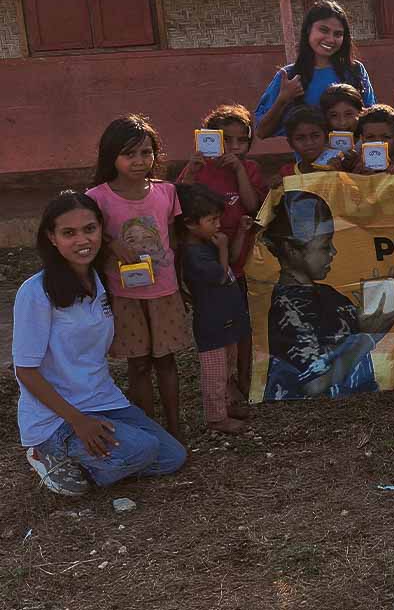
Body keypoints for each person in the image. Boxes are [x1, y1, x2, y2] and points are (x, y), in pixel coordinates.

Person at [14, 191, 187, 496]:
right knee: (142, 448)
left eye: (90, 229)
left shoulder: (101, 281)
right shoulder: (35, 293)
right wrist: (78, 420)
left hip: (104, 402)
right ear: (52, 238)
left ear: (101, 231)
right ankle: (52, 456)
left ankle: (93, 463)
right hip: (58, 417)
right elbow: (26, 371)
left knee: (173, 456)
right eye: (69, 233)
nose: (82, 240)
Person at [86, 115, 187, 439]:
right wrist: (112, 244)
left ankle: (174, 426)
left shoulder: (166, 192)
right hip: (124, 294)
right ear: (112, 157)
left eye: (146, 152)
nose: (140, 161)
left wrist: (182, 286)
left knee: (166, 361)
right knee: (139, 363)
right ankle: (149, 430)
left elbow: (173, 241)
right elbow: (89, 240)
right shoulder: (97, 198)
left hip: (164, 291)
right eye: (129, 154)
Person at [261, 191, 394, 400]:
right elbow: (315, 384)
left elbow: (345, 337)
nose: (333, 252)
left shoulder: (328, 294)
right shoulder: (286, 310)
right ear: (291, 250)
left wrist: (371, 319)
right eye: (325, 245)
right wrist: (368, 337)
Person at [177, 103, 267, 406]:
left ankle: (243, 379)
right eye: (227, 140)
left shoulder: (250, 168)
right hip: (206, 261)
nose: (235, 147)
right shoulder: (200, 168)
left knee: (242, 324)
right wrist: (191, 169)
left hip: (240, 257)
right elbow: (177, 204)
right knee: (216, 323)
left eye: (242, 141)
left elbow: (253, 205)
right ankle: (221, 381)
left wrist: (240, 169)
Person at [177, 184, 252, 436]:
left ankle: (227, 404)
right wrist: (221, 248)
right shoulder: (193, 254)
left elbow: (229, 260)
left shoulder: (204, 242)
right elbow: (221, 275)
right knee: (215, 371)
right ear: (190, 223)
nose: (218, 225)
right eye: (212, 220)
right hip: (212, 321)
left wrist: (237, 233)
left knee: (227, 364)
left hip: (225, 316)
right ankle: (216, 417)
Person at [255, 0, 375, 139]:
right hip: (308, 161)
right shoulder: (290, 77)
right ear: (308, 30)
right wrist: (283, 99)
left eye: (338, 34)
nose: (330, 39)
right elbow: (261, 132)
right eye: (324, 30)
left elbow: (371, 123)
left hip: (354, 159)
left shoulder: (355, 71)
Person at [275, 107, 334, 180]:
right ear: (291, 143)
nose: (309, 143)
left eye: (315, 136)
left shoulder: (338, 168)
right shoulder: (287, 174)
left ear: (326, 137)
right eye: (300, 138)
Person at [343, 105, 394, 175]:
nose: (377, 142)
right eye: (370, 137)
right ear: (362, 140)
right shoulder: (349, 168)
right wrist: (356, 177)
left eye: (385, 137)